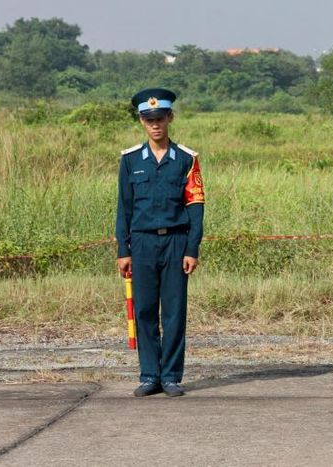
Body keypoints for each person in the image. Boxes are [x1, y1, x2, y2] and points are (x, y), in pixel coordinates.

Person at [115, 88, 205, 397]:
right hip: (141, 245)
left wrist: (192, 249)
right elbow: (124, 208)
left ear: (170, 118)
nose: (155, 124)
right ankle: (149, 375)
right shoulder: (129, 161)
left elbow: (195, 207)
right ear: (141, 121)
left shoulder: (186, 159)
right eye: (148, 119)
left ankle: (170, 376)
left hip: (176, 242)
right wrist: (123, 250)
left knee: (174, 311)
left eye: (160, 118)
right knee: (145, 310)